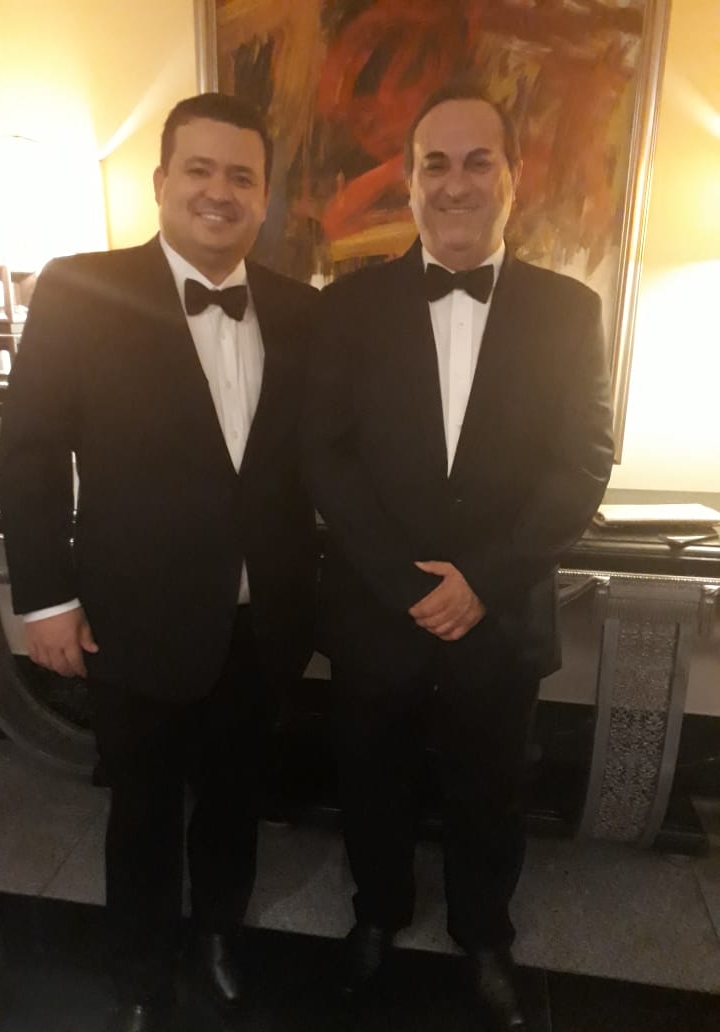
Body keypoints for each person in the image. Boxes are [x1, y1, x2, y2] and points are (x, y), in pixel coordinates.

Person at [0, 92, 318, 1032]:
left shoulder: (303, 311)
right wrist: (45, 600)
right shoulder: (79, 288)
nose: (220, 191)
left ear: (264, 196)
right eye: (200, 169)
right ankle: (139, 972)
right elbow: (29, 452)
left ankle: (217, 933)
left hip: (263, 618)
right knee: (140, 808)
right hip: (132, 616)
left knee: (234, 798)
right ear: (162, 181)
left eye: (242, 176)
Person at [304, 84, 614, 1031]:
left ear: (515, 177)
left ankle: (485, 936)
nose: (455, 183)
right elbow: (326, 456)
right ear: (409, 180)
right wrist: (409, 584)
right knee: (372, 784)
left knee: (493, 792)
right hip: (378, 608)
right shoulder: (347, 306)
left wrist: (484, 580)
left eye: (479, 161)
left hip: (501, 611)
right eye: (434, 163)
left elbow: (584, 461)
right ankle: (377, 916)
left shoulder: (571, 311)